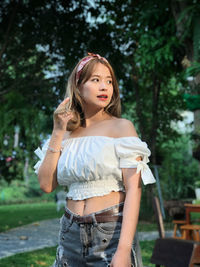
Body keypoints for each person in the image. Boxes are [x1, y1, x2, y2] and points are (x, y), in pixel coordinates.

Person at [34, 52, 156, 267]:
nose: (104, 87)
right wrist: (58, 130)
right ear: (78, 86)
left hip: (110, 233)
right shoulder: (66, 135)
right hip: (69, 233)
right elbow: (46, 184)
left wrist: (123, 250)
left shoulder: (122, 127)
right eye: (96, 80)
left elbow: (134, 190)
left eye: (109, 81)